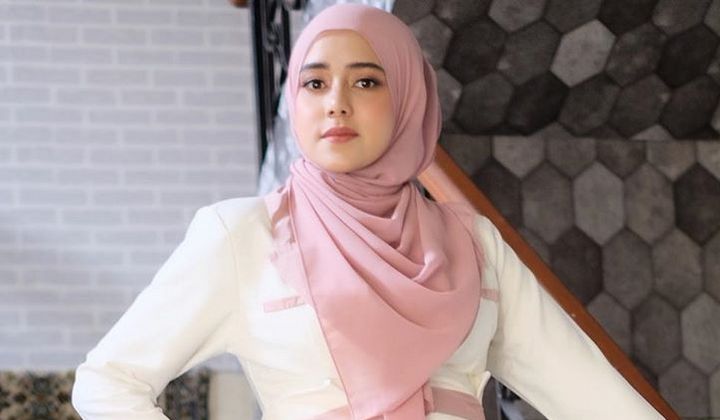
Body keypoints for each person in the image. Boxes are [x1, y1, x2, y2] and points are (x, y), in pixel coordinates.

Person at [71, 4, 664, 419]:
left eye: (366, 83)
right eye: (314, 83)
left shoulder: (473, 243)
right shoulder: (242, 235)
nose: (336, 104)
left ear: (407, 98)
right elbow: (109, 382)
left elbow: (590, 393)